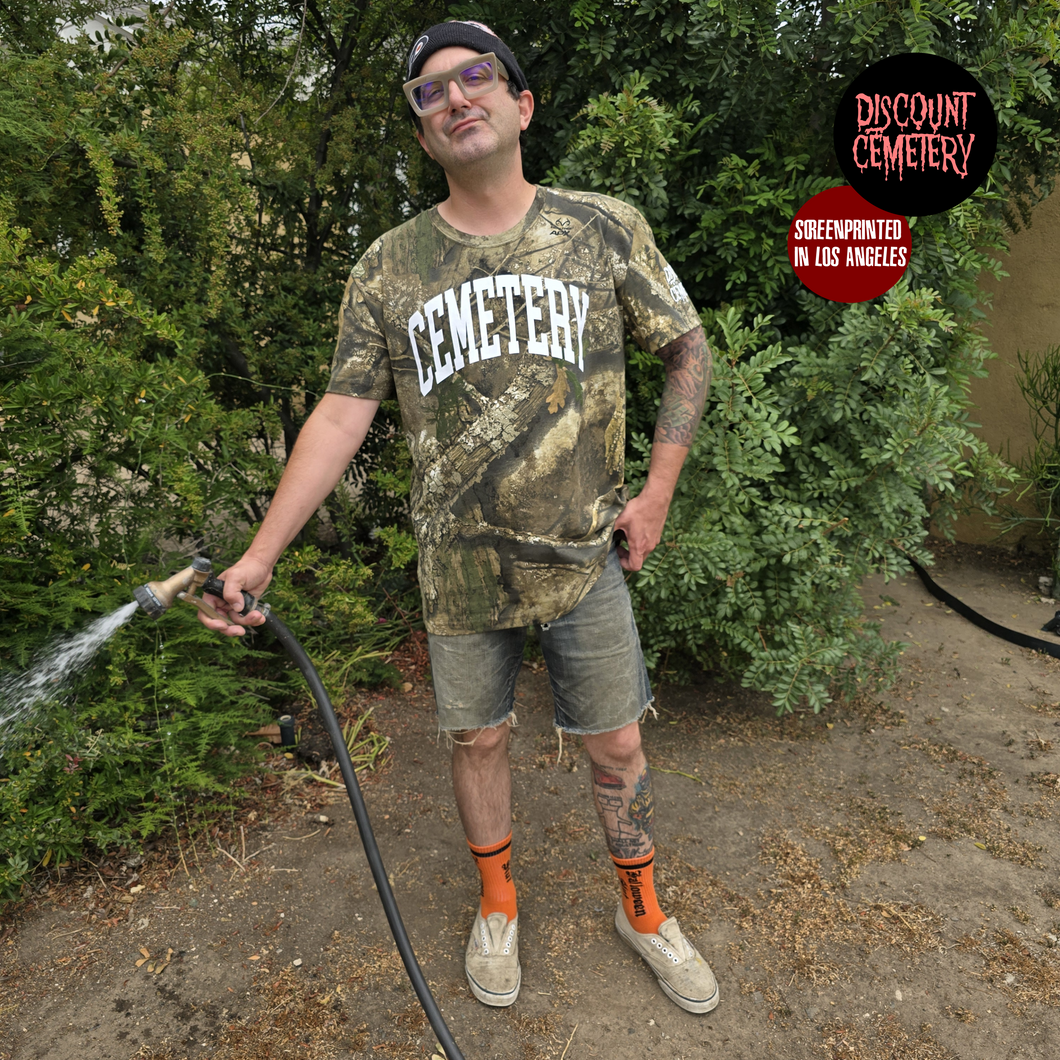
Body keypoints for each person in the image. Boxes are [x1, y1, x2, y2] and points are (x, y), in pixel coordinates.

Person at [200, 19, 717, 1015]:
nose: (453, 97)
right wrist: (260, 554)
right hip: (460, 572)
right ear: (425, 134)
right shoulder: (389, 267)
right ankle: (496, 901)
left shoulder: (604, 226)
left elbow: (686, 348)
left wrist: (657, 491)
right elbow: (343, 411)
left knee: (616, 746)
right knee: (476, 741)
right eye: (428, 93)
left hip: (583, 553)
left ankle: (643, 910)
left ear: (521, 104)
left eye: (475, 76)